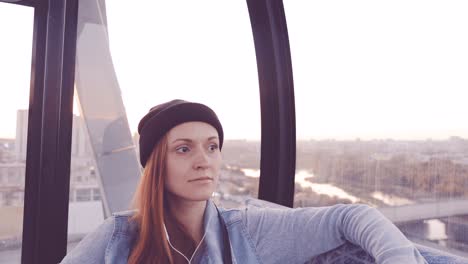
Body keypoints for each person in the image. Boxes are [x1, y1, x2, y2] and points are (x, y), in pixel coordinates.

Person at [60, 99, 427, 264]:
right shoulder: (116, 238)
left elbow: (352, 218)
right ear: (156, 165)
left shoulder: (248, 231)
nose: (205, 161)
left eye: (213, 147)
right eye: (184, 149)